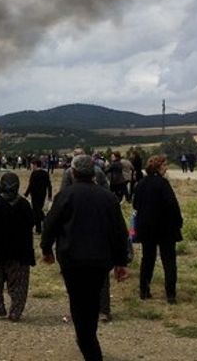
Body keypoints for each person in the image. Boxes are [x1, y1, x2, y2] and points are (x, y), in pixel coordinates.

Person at [41, 155, 130, 361]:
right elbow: (119, 231)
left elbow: (50, 225)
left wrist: (47, 250)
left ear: (73, 172)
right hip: (100, 261)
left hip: (72, 259)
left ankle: (88, 342)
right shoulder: (108, 198)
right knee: (91, 299)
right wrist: (121, 262)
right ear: (94, 174)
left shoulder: (65, 195)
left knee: (78, 299)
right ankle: (88, 336)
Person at [0, 172, 35, 321]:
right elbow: (31, 223)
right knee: (19, 284)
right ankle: (15, 312)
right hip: (19, 250)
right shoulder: (24, 204)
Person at [133, 155, 182, 304]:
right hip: (165, 228)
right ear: (158, 167)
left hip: (146, 228)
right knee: (169, 260)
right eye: (164, 165)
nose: (166, 168)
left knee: (147, 259)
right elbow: (172, 205)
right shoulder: (163, 184)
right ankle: (171, 294)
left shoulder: (141, 184)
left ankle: (144, 290)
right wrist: (178, 222)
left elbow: (135, 204)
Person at [24, 159, 53, 234]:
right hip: (42, 194)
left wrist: (26, 194)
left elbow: (31, 185)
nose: (31, 166)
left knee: (36, 211)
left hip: (35, 195)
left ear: (35, 165)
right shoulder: (45, 173)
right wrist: (50, 194)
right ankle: (45, 221)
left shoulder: (34, 174)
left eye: (32, 165)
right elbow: (49, 185)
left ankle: (38, 229)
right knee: (38, 210)